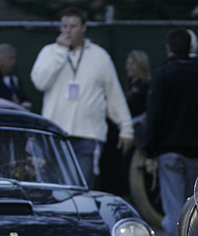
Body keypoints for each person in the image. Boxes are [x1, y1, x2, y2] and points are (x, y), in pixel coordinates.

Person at [30, 7, 133, 189]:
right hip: (55, 134)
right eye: (64, 26)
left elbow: (113, 95)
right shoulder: (49, 52)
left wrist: (126, 128)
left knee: (82, 188)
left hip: (88, 136)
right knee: (54, 187)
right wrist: (61, 51)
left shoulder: (100, 56)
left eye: (73, 26)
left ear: (84, 27)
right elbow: (40, 82)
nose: (68, 31)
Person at [144, 28, 198, 236]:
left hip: (169, 150)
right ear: (191, 48)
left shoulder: (164, 74)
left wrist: (149, 149)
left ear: (169, 48)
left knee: (174, 207)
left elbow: (154, 115)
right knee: (196, 205)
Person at [124, 50, 151, 119]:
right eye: (127, 64)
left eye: (132, 64)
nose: (128, 67)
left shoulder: (146, 85)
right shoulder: (129, 84)